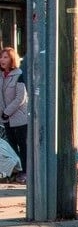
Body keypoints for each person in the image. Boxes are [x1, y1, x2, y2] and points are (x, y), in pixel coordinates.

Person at [0, 47, 29, 180]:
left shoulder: (19, 74)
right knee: (11, 145)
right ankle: (15, 170)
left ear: (12, 59)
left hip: (18, 117)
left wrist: (7, 112)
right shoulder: (1, 76)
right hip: (5, 118)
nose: (2, 60)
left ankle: (26, 171)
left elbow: (20, 97)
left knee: (22, 144)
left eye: (5, 57)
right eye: (1, 57)